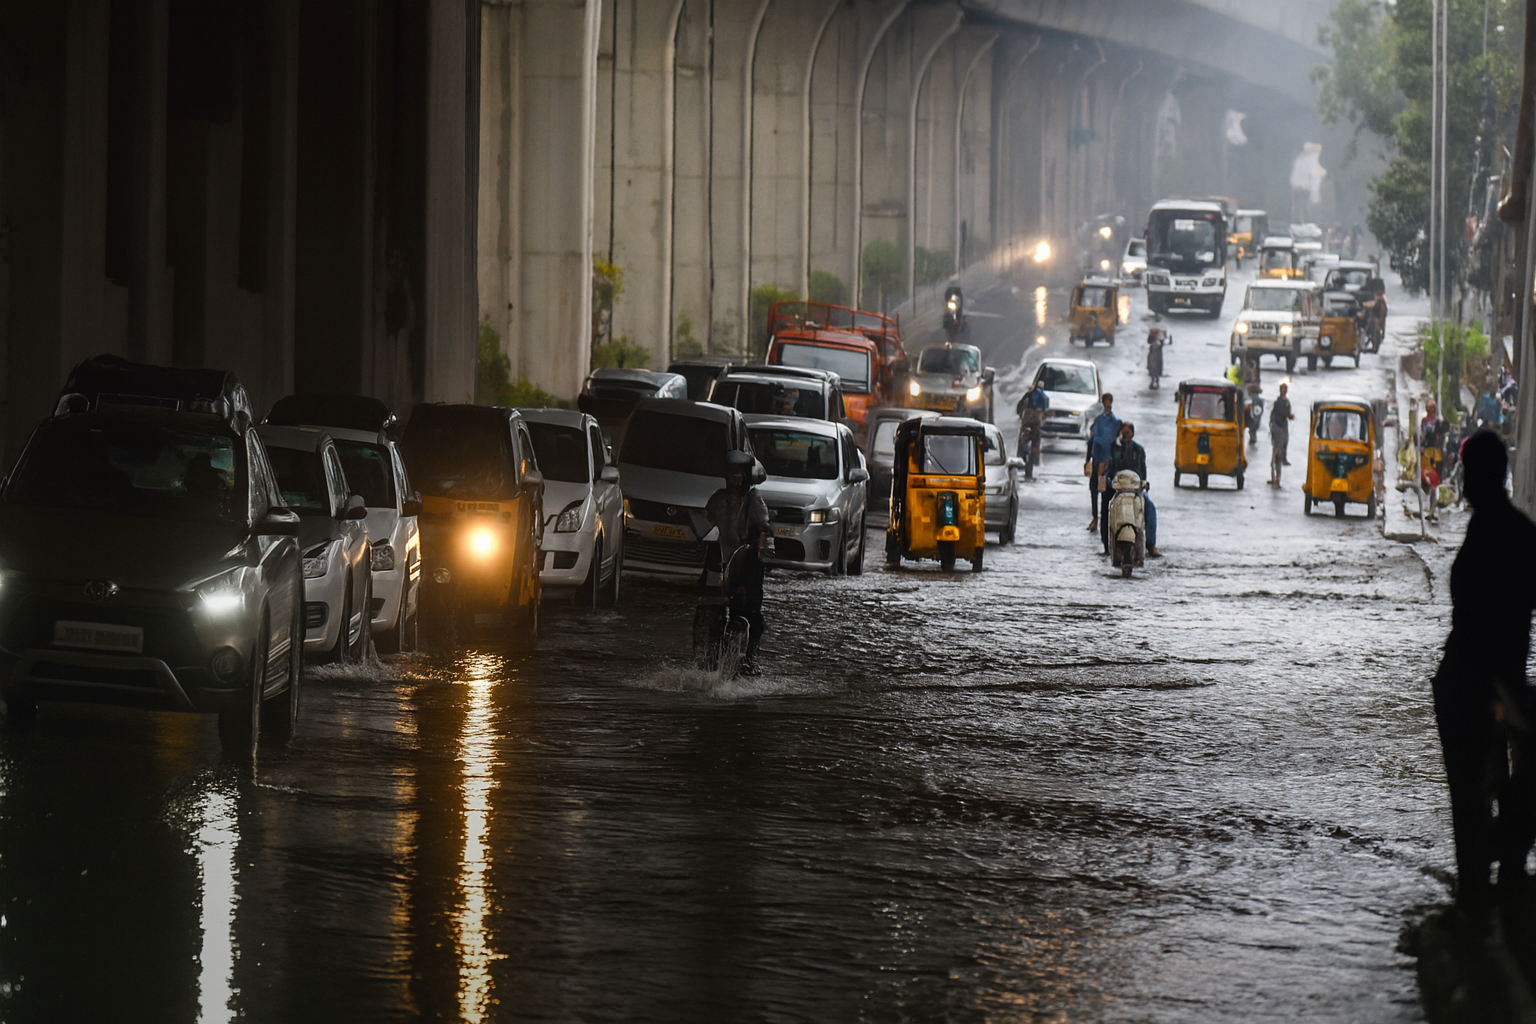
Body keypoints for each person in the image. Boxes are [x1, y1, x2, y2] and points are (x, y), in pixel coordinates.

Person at [1433, 430, 1536, 910]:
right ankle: (1509, 858)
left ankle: (1480, 885)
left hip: (1469, 683)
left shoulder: (1487, 534)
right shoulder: (1519, 533)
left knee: (1468, 801)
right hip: (1501, 681)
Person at [704, 451, 771, 675]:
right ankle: (711, 658)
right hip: (722, 563)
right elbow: (705, 527)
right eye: (732, 474)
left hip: (748, 562)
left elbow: (763, 527)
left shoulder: (754, 499)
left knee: (752, 614)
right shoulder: (718, 499)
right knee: (713, 612)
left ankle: (749, 659)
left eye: (740, 475)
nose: (736, 479)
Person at [1106, 421, 1160, 558]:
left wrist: (1143, 484)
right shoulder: (1114, 448)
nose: (1126, 437)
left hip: (1135, 490)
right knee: (1108, 508)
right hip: (1119, 490)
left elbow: (1143, 473)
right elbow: (1110, 470)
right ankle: (1108, 543)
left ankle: (1151, 544)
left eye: (1128, 434)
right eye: (1124, 434)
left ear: (1133, 434)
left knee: (1150, 507)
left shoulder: (1139, 450)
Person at [1084, 392, 1121, 544]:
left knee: (1105, 491)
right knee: (1094, 490)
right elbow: (1092, 441)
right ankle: (1095, 517)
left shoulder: (1115, 422)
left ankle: (1104, 518)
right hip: (1097, 459)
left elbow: (1116, 442)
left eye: (1109, 401)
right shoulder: (1098, 421)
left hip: (1107, 463)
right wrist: (1088, 460)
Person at [1015, 380, 1049, 479]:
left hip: (1027, 421)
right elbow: (1045, 410)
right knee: (1035, 443)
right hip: (1035, 423)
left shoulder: (1028, 396)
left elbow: (1019, 407)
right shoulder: (1042, 397)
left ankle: (1022, 459)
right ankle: (1032, 462)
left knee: (1023, 441)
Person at [1269, 381, 1294, 486]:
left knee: (1278, 455)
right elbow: (1274, 415)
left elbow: (1286, 414)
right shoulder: (1279, 402)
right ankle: (1275, 477)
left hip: (1282, 428)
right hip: (1278, 428)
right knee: (1276, 455)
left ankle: (1277, 477)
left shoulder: (1286, 403)